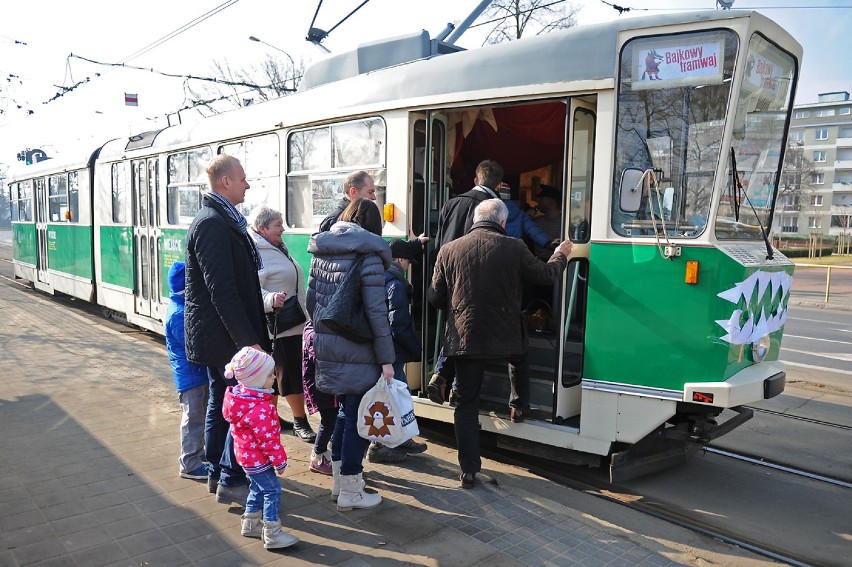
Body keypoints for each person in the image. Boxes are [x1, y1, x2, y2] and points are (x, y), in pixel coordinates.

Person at [428, 199, 572, 488]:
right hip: (506, 336)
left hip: (465, 339)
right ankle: (518, 405)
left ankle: (468, 470)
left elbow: (435, 298)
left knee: (466, 404)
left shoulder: (448, 250)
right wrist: (559, 254)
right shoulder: (515, 246)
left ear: (474, 221)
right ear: (503, 223)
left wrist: (459, 307)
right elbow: (547, 275)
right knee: (519, 357)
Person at [185, 154, 270, 506]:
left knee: (221, 402)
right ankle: (229, 478)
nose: (248, 185)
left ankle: (219, 473)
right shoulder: (213, 224)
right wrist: (249, 344)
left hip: (222, 336)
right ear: (225, 183)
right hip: (223, 338)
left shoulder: (222, 219)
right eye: (243, 179)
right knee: (235, 405)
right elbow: (222, 291)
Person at [306, 198, 395, 511]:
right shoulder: (368, 256)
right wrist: (387, 360)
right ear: (372, 227)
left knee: (345, 413)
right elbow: (377, 314)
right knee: (360, 421)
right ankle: (352, 490)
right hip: (359, 351)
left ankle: (339, 484)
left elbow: (311, 303)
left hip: (328, 346)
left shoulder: (322, 252)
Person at [427, 159, 504, 406]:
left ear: (475, 179)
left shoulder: (452, 202)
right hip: (474, 278)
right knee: (469, 333)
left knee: (455, 327)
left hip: (447, 272)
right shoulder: (493, 207)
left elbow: (439, 243)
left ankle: (442, 376)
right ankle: (457, 389)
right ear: (500, 185)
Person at [249, 206, 317, 444]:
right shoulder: (258, 252)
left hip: (292, 323)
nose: (283, 229)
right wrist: (270, 300)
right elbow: (253, 289)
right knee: (289, 375)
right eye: (278, 225)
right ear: (263, 228)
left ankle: (270, 419)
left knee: (277, 375)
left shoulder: (275, 247)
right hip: (280, 325)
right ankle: (301, 422)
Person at [223, 347, 299, 550]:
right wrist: (280, 461)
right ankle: (272, 533)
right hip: (257, 458)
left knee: (258, 487)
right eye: (270, 375)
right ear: (256, 379)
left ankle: (250, 524)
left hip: (246, 456)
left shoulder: (239, 398)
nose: (274, 377)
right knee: (273, 490)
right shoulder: (260, 408)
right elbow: (269, 440)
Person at [366, 239, 429, 464]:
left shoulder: (379, 277)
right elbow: (398, 323)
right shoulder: (396, 284)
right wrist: (415, 348)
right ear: (400, 259)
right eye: (408, 262)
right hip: (392, 351)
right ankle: (380, 446)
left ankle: (401, 439)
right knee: (392, 398)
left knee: (393, 396)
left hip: (382, 348)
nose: (408, 266)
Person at [164, 260, 209, 481]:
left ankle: (199, 455)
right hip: (191, 377)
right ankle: (189, 463)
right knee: (193, 419)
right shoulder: (179, 314)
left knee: (198, 417)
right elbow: (194, 347)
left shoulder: (180, 307)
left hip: (195, 375)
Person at [301, 320, 335, 475]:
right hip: (321, 388)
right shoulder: (312, 331)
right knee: (328, 421)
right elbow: (319, 354)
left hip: (327, 386)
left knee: (331, 421)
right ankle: (317, 455)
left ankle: (323, 454)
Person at [533, 185, 563, 260]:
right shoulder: (536, 222)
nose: (538, 202)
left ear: (551, 202)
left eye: (542, 199)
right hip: (536, 262)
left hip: (555, 262)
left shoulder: (563, 224)